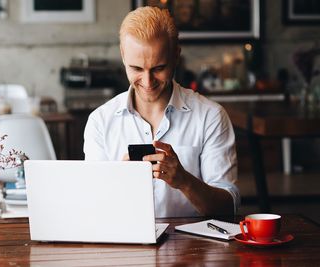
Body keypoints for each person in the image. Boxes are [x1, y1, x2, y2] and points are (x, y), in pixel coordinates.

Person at [83, 6, 239, 217]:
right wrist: (118, 182)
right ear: (122, 55)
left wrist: (185, 181)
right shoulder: (100, 122)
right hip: (124, 246)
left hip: (195, 248)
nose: (147, 82)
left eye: (158, 68)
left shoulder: (210, 117)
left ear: (176, 55)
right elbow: (91, 207)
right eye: (136, 69)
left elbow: (228, 210)